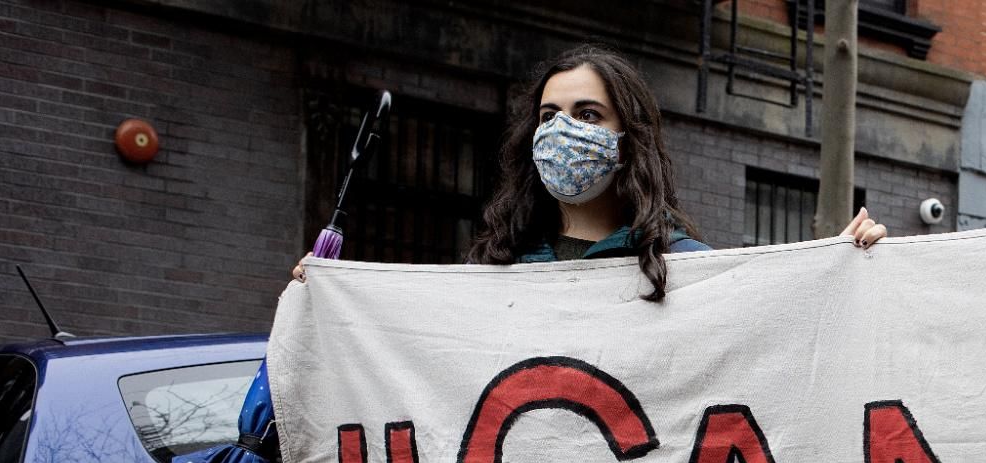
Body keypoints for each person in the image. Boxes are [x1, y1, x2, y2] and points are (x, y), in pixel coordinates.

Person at [294, 45, 886, 292]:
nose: (562, 131)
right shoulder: (496, 269)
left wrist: (840, 268)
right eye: (549, 115)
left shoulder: (684, 267)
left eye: (587, 114)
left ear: (628, 139)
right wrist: (333, 298)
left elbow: (770, 318)